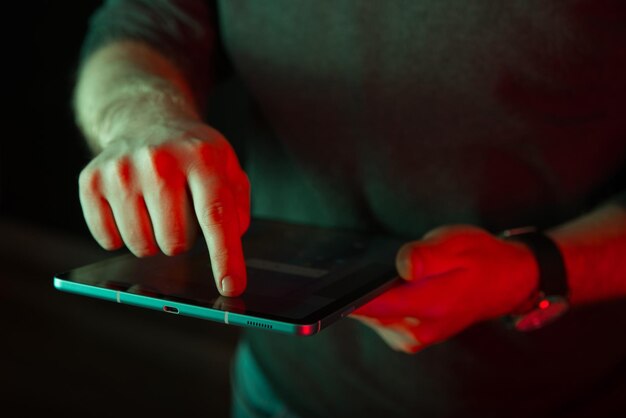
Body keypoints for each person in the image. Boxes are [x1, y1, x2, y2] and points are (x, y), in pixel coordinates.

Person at [73, 1, 626, 416]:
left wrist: (536, 270)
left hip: (561, 393)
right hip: (284, 389)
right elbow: (141, 26)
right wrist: (140, 115)